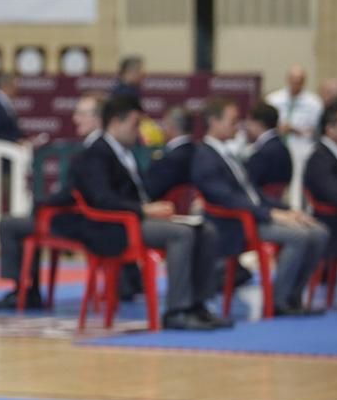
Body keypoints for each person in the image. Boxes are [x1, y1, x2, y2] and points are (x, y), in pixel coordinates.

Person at [73, 96, 228, 330]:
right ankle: (177, 309)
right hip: (114, 227)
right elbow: (102, 199)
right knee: (181, 234)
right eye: (135, 125)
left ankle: (198, 305)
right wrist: (143, 209)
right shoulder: (96, 152)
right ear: (116, 122)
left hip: (136, 219)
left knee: (205, 230)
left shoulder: (127, 152)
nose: (139, 131)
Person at [192, 97, 328, 316]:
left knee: (319, 232)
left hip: (252, 215)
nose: (239, 126)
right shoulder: (204, 156)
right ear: (214, 122)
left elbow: (253, 193)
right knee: (300, 237)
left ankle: (293, 297)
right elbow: (227, 198)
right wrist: (271, 214)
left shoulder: (229, 153)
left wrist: (287, 210)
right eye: (233, 121)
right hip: (233, 223)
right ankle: (278, 301)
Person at [0, 91, 103, 310]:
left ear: (97, 118)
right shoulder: (96, 147)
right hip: (80, 216)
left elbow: (75, 193)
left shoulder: (94, 150)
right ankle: (27, 289)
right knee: (27, 221)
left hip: (80, 221)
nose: (75, 118)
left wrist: (44, 204)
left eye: (81, 113)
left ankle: (22, 290)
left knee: (10, 224)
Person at [305, 100, 337, 263]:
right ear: (329, 128)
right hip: (332, 223)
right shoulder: (319, 158)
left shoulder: (335, 155)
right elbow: (335, 196)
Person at [143, 105, 197, 201]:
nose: (161, 129)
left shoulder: (168, 160)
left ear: (171, 126)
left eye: (164, 124)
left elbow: (150, 192)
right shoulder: (200, 153)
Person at [243, 102, 292, 195]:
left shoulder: (262, 154)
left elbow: (247, 183)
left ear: (258, 123)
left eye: (249, 122)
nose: (246, 127)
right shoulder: (282, 148)